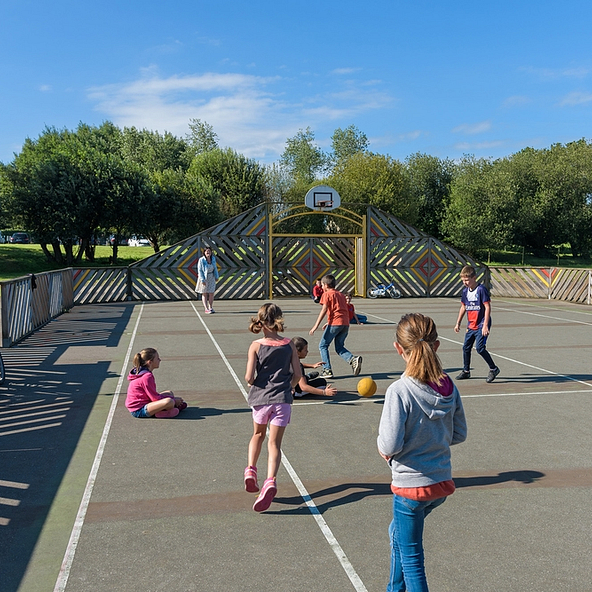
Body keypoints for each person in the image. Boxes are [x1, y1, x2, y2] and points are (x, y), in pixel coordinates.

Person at [377, 313, 467, 592]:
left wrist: (384, 449)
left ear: (398, 348)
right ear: (436, 346)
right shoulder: (448, 385)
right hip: (440, 483)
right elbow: (459, 433)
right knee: (397, 534)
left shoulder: (399, 390)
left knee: (413, 559)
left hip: (411, 488)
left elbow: (389, 444)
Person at [244, 303, 301, 512]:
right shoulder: (289, 345)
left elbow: (249, 377)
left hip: (261, 398)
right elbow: (297, 374)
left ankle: (250, 469)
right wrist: (290, 387)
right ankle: (270, 480)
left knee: (257, 435)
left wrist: (253, 382)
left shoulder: (256, 345)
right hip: (282, 398)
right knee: (275, 443)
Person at [309, 274, 362, 379]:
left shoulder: (327, 294)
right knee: (339, 347)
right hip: (345, 323)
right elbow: (341, 310)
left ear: (325, 285)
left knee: (323, 346)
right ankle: (352, 359)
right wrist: (329, 323)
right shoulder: (341, 295)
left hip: (335, 323)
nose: (322, 288)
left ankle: (327, 369)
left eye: (322, 286)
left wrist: (315, 325)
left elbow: (324, 310)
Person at [454, 265, 500, 383]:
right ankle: (466, 371)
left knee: (480, 348)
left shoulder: (481, 290)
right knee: (466, 347)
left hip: (481, 324)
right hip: (471, 325)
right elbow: (463, 307)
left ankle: (493, 368)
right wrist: (458, 322)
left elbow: (487, 306)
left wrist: (485, 325)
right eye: (463, 280)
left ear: (474, 278)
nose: (465, 282)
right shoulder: (465, 292)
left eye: (467, 280)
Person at [125, 348, 187, 418]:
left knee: (169, 393)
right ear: (150, 362)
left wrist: (171, 397)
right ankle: (160, 413)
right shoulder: (147, 377)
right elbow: (154, 398)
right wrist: (174, 400)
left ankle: (168, 408)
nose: (160, 360)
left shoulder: (141, 371)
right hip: (139, 410)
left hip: (144, 402)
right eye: (157, 358)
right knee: (169, 402)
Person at [196, 246, 219, 314]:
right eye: (207, 251)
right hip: (204, 277)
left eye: (209, 251)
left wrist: (216, 276)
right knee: (205, 293)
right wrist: (202, 280)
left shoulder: (213, 259)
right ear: (204, 252)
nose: (208, 253)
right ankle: (206, 308)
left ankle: (210, 307)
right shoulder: (201, 260)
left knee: (211, 293)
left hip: (211, 276)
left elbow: (215, 268)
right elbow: (200, 270)